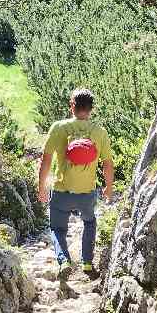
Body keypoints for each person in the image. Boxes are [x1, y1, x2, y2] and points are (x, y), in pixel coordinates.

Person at [38, 88, 114, 281]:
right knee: (89, 222)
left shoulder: (59, 128)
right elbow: (107, 163)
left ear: (72, 106)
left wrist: (42, 187)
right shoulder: (99, 132)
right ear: (91, 109)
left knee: (57, 229)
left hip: (62, 190)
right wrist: (109, 187)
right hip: (87, 192)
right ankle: (87, 262)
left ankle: (64, 261)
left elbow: (45, 160)